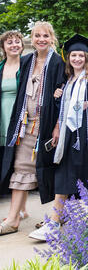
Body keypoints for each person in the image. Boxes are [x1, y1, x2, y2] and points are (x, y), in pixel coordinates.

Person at [28, 34, 88, 241]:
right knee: (63, 175)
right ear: (69, 58)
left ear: (86, 58)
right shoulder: (67, 81)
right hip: (67, 136)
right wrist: (56, 113)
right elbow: (61, 110)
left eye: (81, 55)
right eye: (73, 55)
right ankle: (53, 223)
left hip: (86, 136)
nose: (77, 59)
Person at [0, 22, 65, 236]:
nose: (41, 39)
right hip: (24, 124)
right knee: (21, 166)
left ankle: (56, 217)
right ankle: (14, 218)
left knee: (53, 170)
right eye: (37, 35)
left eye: (45, 35)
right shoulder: (27, 60)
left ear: (52, 38)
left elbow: (61, 96)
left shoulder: (57, 63)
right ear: (32, 38)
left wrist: (56, 126)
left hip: (46, 126)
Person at [0, 31, 26, 214]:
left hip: (18, 120)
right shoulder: (0, 67)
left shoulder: (26, 67)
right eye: (10, 42)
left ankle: (20, 210)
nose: (14, 45)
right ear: (3, 47)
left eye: (18, 42)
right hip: (2, 118)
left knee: (20, 163)